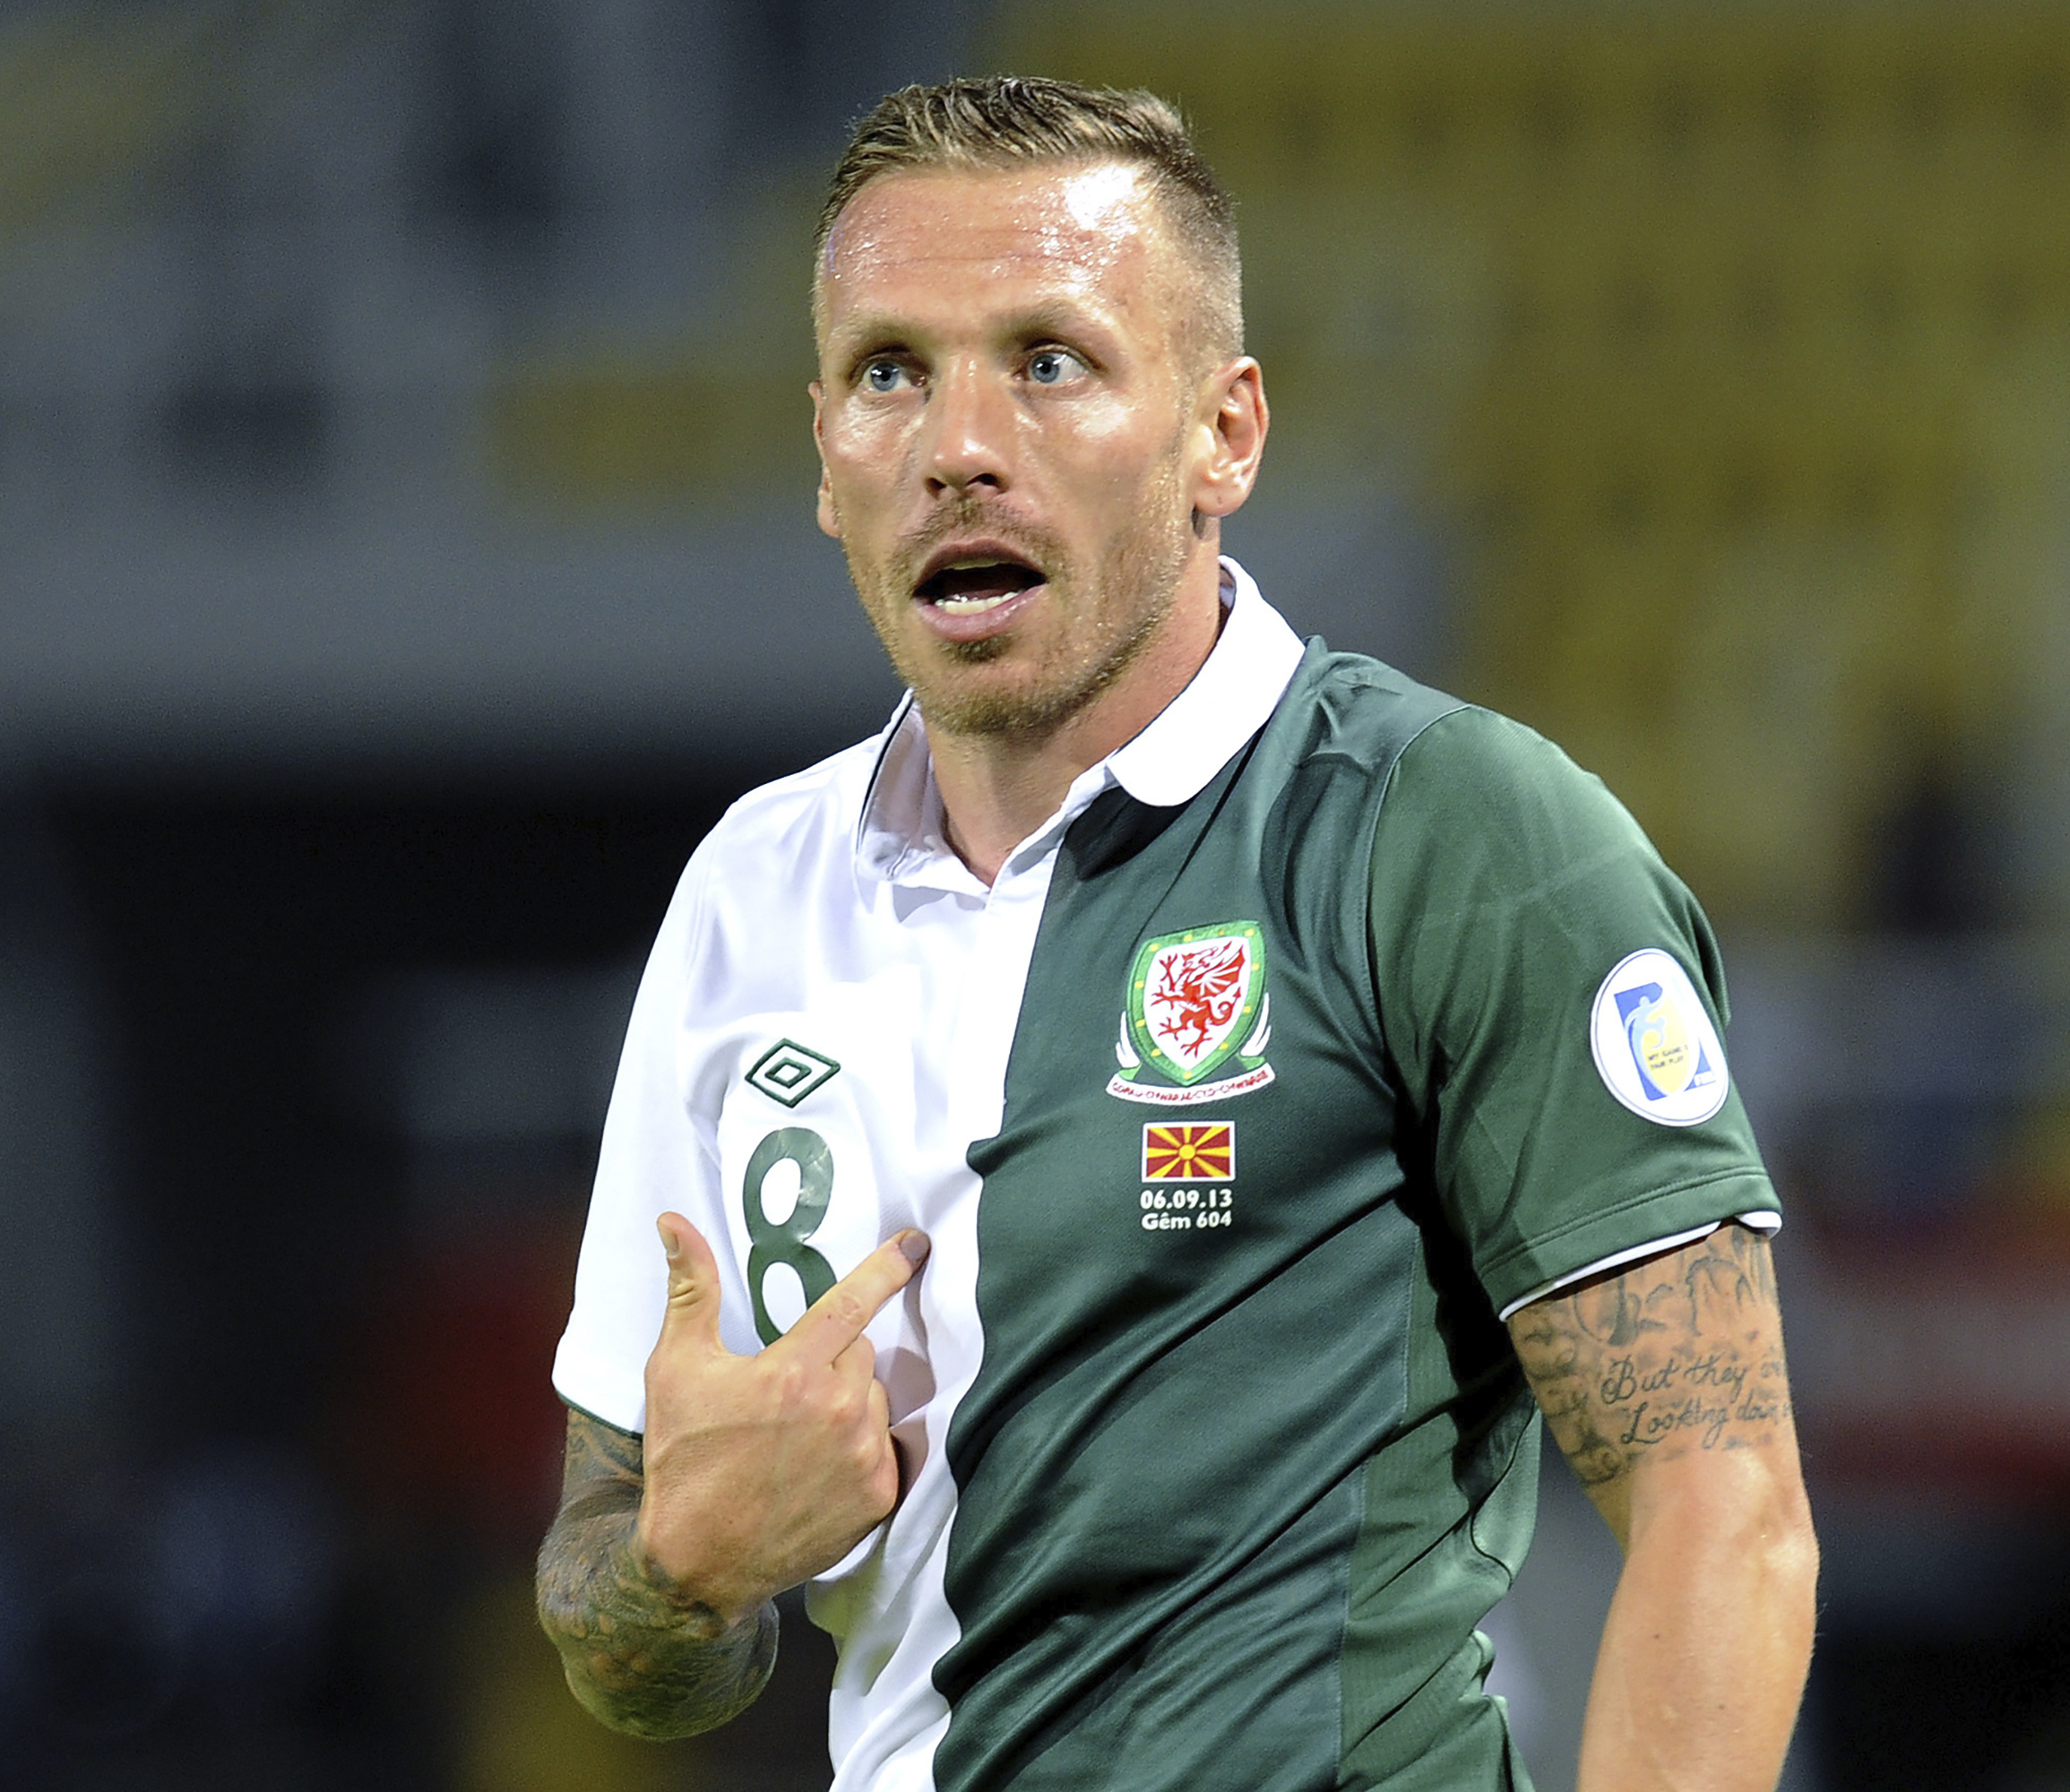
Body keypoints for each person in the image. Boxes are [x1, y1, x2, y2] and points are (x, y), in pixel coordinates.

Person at [534, 75, 1816, 1792]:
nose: (959, 443)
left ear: (1227, 434)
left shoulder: (1452, 835)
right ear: (825, 461)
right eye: (889, 373)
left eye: (1048, 362)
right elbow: (613, 1626)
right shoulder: (750, 891)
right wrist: (685, 1572)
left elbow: (1724, 1516)